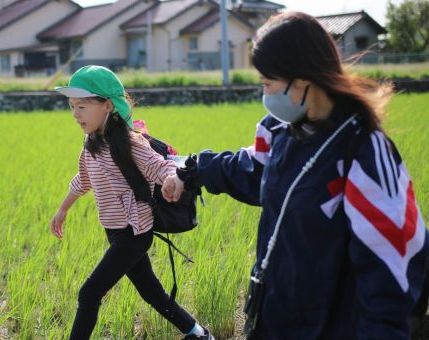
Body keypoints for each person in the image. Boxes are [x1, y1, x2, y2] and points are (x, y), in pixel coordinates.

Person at [162, 12, 428, 339]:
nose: (264, 94)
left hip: (333, 327)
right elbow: (249, 169)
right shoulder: (281, 132)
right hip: (275, 317)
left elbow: (393, 263)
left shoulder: (362, 150)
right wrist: (189, 173)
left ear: (302, 79)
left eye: (268, 83)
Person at [49, 65, 214, 340]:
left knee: (89, 294)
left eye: (81, 106)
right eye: (71, 106)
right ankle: (198, 333)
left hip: (134, 234)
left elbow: (158, 166)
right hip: (115, 232)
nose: (75, 114)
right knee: (152, 293)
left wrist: (175, 179)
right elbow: (84, 180)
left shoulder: (129, 142)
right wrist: (63, 209)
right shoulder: (91, 142)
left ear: (108, 105)